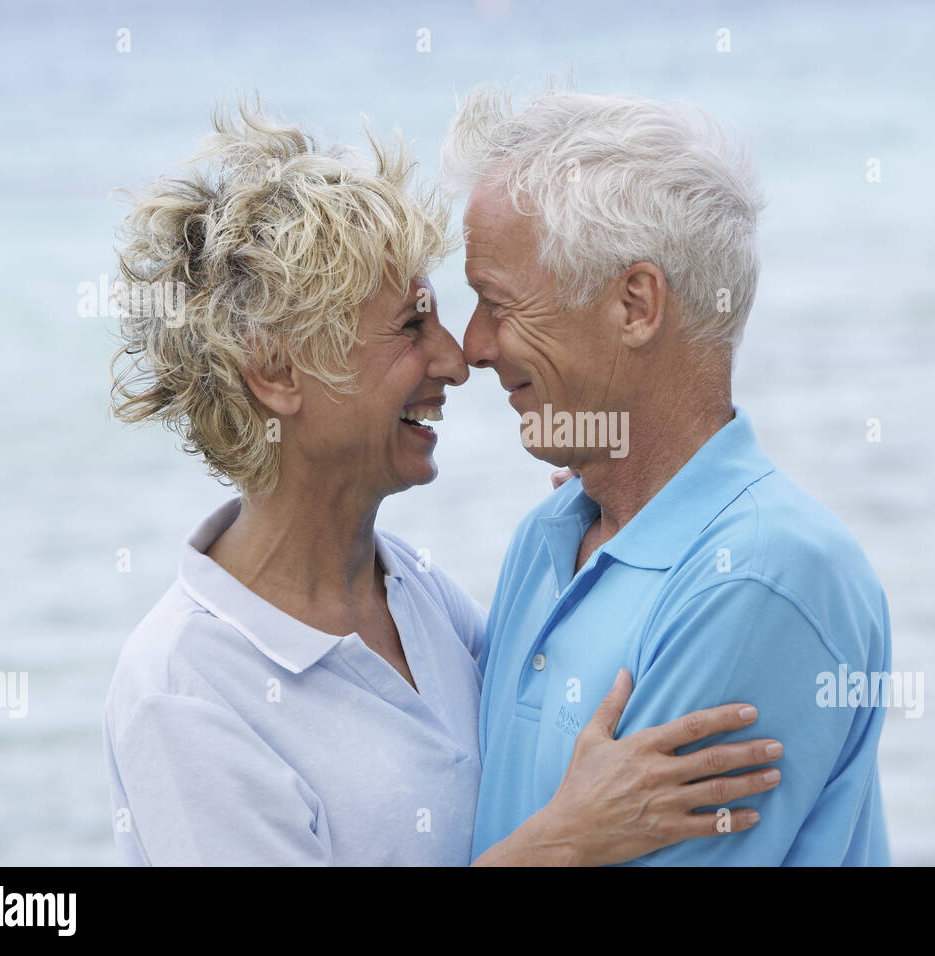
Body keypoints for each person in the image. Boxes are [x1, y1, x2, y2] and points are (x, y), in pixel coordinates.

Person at [103, 102, 782, 866]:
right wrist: (559, 845)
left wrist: (613, 507)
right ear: (277, 372)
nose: (457, 360)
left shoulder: (414, 593)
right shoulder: (185, 687)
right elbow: (555, 822)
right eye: (410, 327)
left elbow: (540, 739)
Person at [442, 86, 893, 865]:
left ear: (636, 304)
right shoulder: (550, 538)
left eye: (498, 304)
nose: (472, 346)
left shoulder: (760, 579)